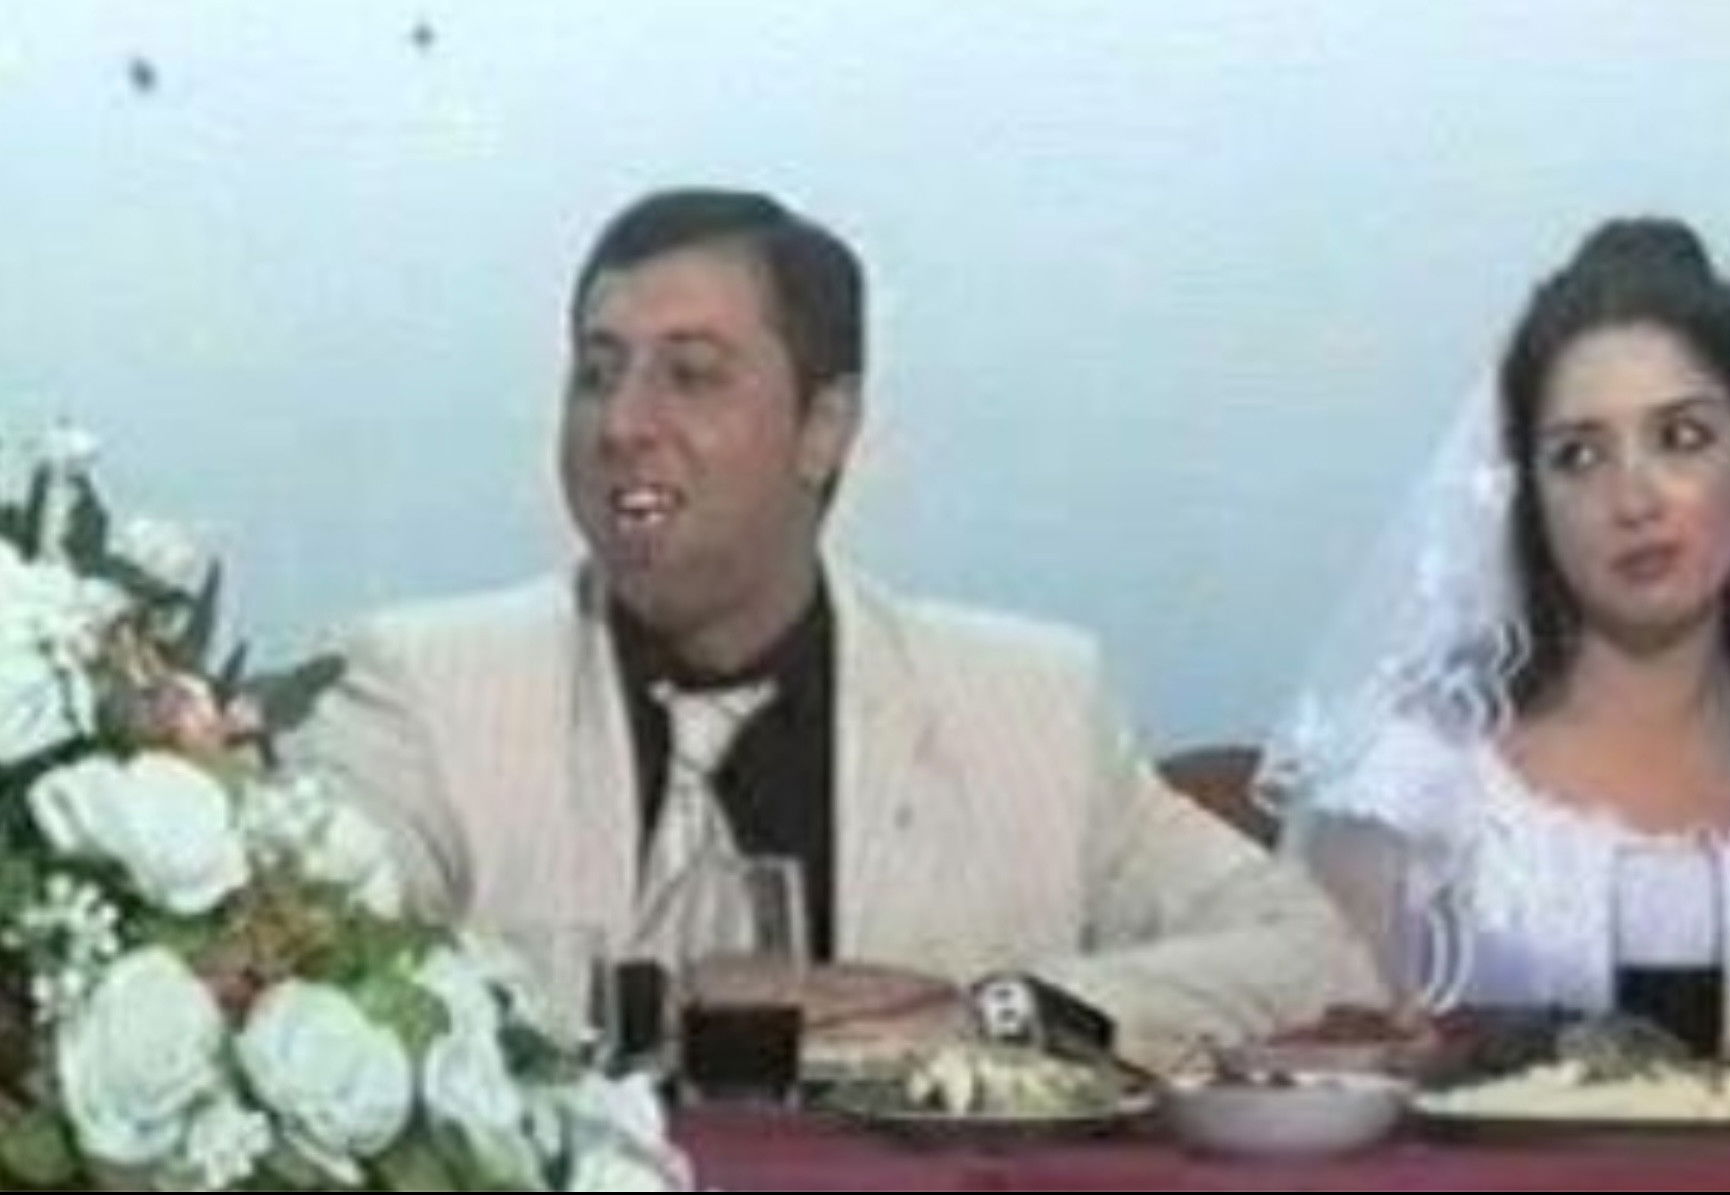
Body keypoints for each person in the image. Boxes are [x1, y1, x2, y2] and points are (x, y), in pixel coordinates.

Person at [292, 187, 1377, 1067]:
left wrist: (991, 1011)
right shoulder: (420, 686)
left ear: (823, 426)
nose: (621, 424)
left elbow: (1312, 954)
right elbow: (310, 972)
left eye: (690, 375)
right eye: (596, 372)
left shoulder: (1029, 704)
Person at [1261, 217, 1730, 1016]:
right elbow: (1332, 1054)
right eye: (1578, 454)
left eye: (1681, 438)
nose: (1633, 498)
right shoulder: (1412, 774)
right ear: (1530, 501)